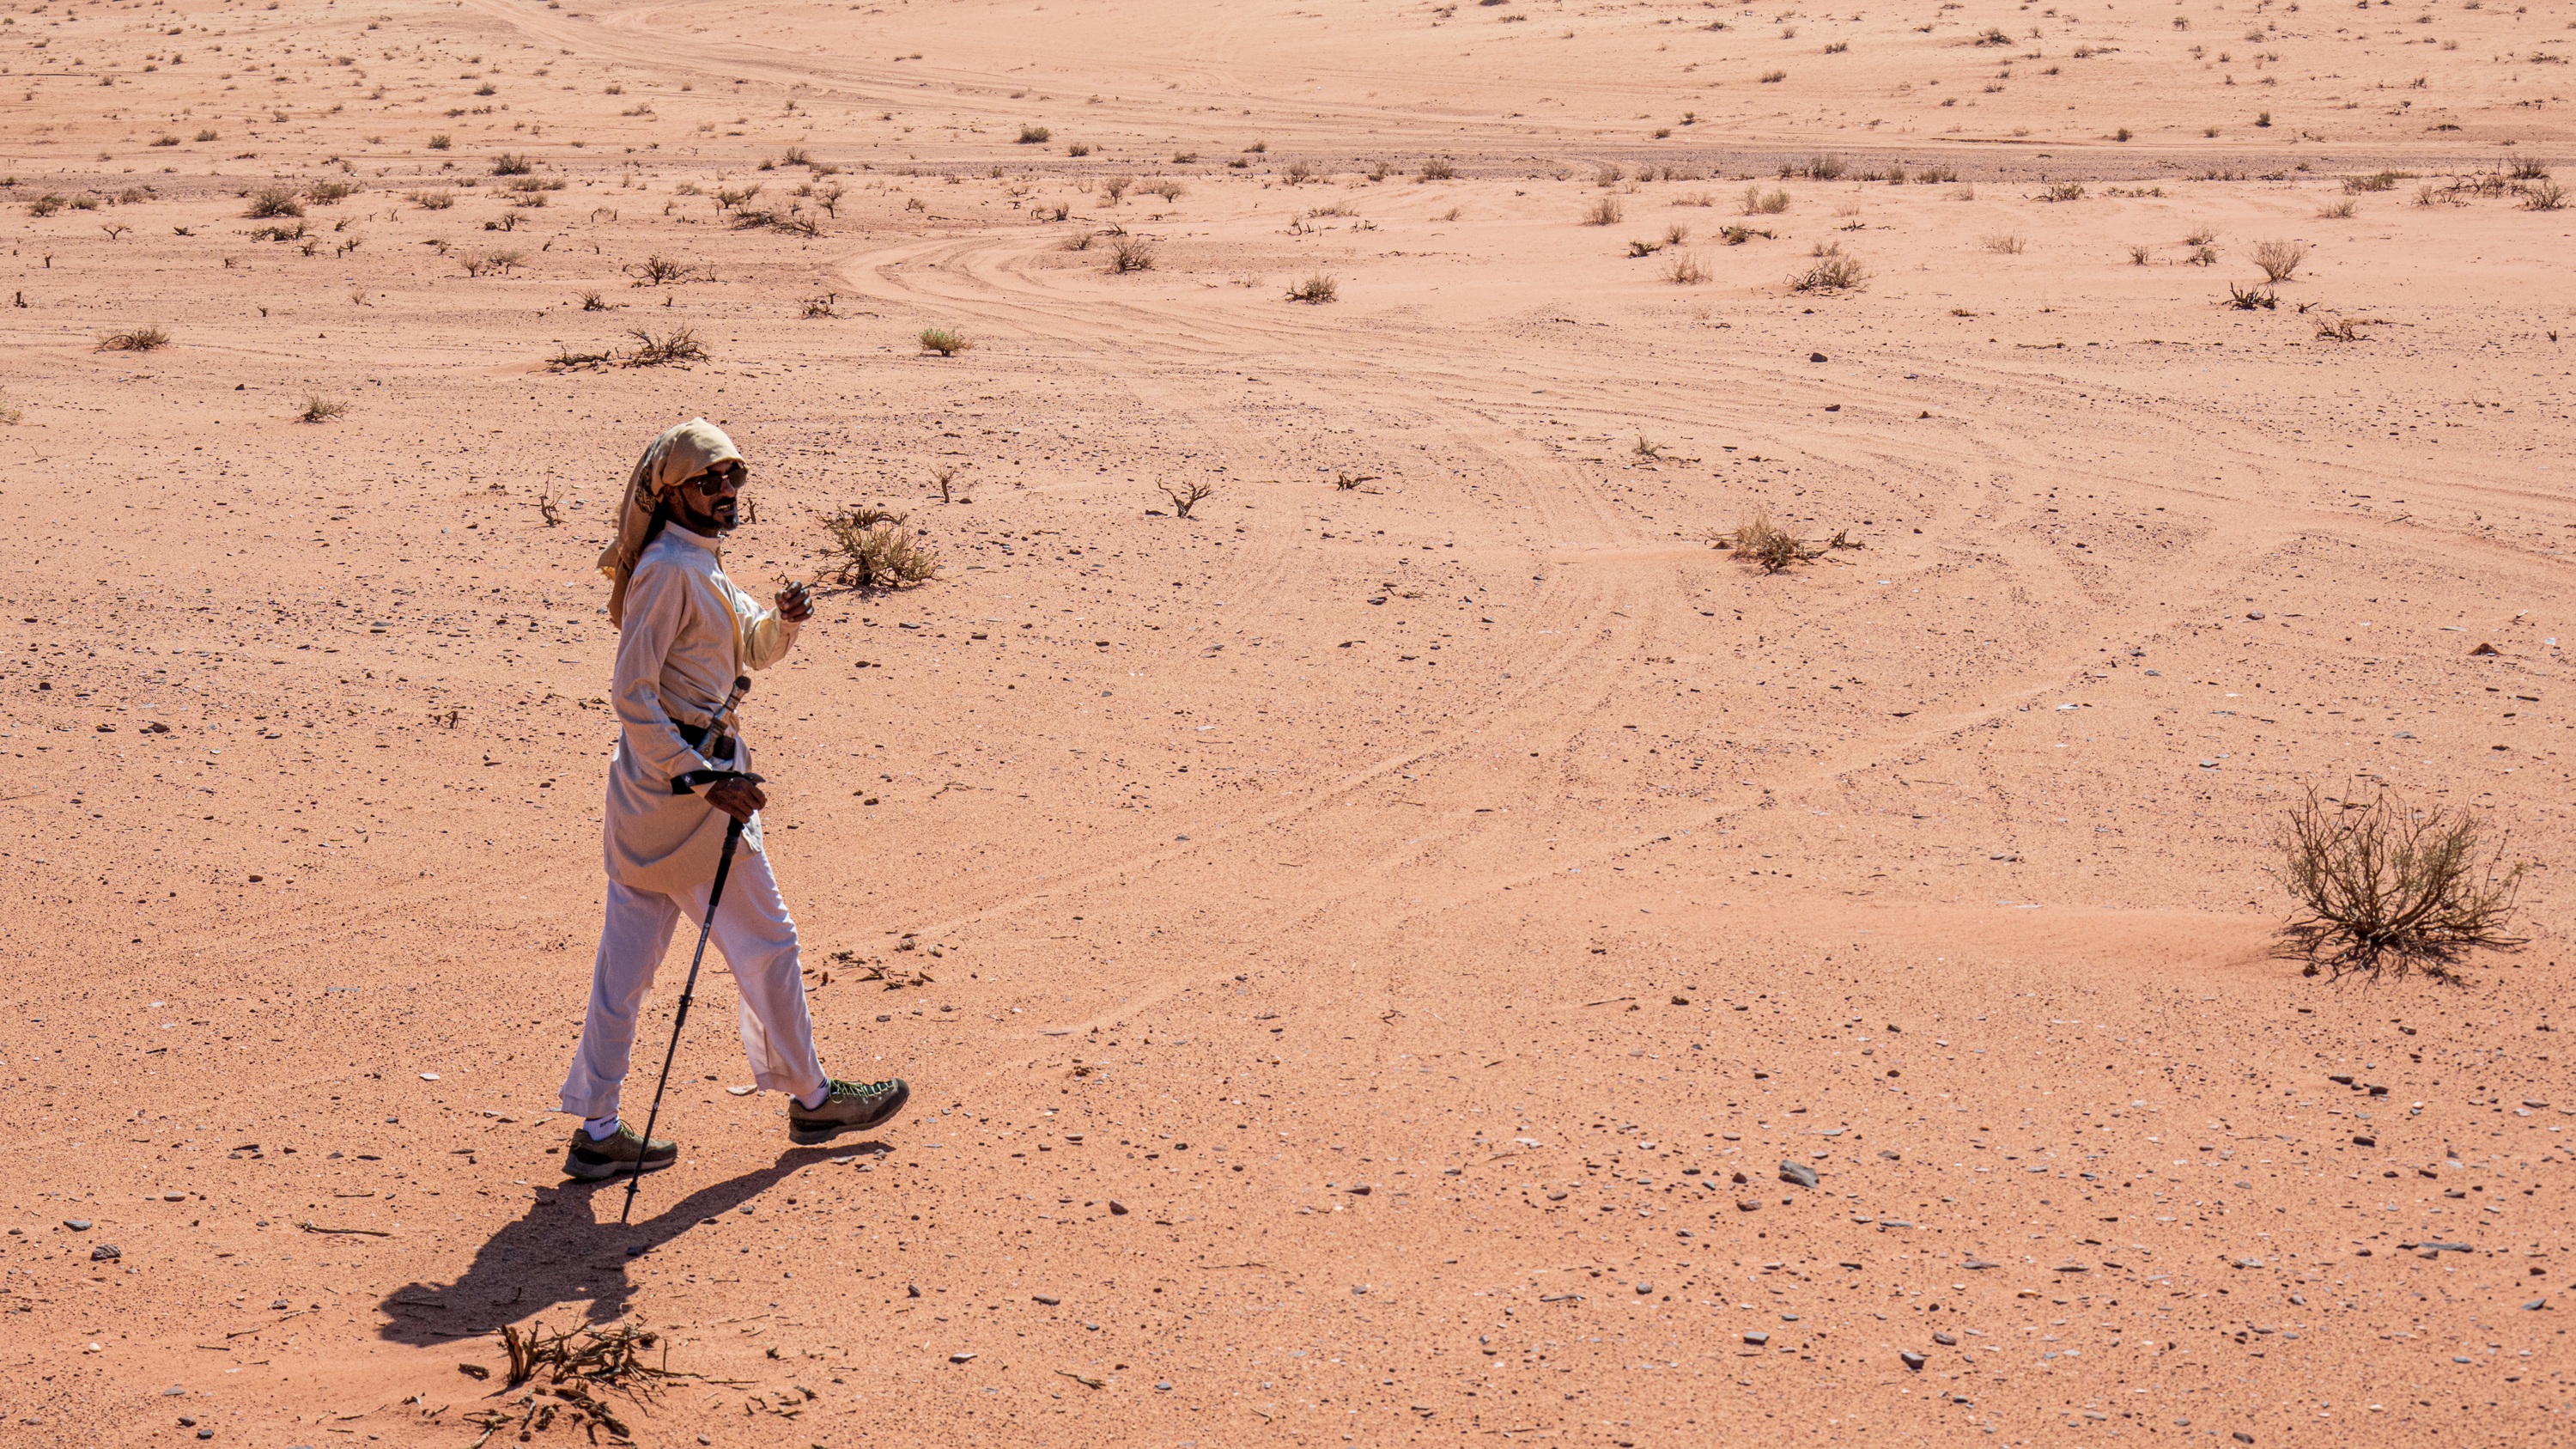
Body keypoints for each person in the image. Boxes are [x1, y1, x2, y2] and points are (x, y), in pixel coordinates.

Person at [557, 418, 908, 1182]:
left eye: (733, 478)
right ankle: (812, 1097)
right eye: (710, 480)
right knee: (768, 943)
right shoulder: (669, 571)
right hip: (689, 797)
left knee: (625, 969)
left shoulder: (697, 563)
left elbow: (748, 644)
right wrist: (701, 777)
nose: (726, 492)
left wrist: (781, 621)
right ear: (671, 492)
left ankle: (598, 1127)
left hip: (655, 794)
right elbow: (631, 692)